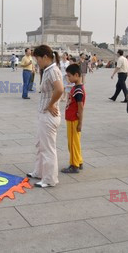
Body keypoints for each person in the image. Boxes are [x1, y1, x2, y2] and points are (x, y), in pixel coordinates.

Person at [27, 45, 63, 188]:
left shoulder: (53, 71)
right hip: (44, 114)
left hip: (49, 115)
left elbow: (60, 89)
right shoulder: (48, 70)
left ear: (45, 57)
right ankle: (39, 171)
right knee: (40, 145)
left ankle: (49, 179)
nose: (37, 62)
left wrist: (51, 104)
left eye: (38, 59)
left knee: (48, 148)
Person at [61, 64, 86, 173]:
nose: (68, 78)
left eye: (69, 76)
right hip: (71, 119)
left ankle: (74, 165)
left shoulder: (78, 90)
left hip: (73, 120)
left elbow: (80, 107)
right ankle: (78, 160)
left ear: (76, 75)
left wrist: (80, 123)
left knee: (72, 143)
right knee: (75, 142)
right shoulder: (76, 88)